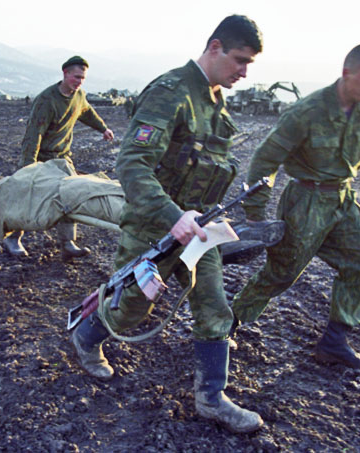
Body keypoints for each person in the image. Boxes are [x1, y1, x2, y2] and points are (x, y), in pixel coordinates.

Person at [71, 15, 264, 434]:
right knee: (131, 310)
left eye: (250, 64)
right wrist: (172, 216)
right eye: (240, 60)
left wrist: (205, 215)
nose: (244, 72)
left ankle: (212, 398)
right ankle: (86, 338)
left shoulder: (215, 100)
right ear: (215, 47)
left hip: (199, 228)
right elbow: (132, 163)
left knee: (214, 307)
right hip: (153, 227)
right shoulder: (170, 92)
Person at [231, 44, 360, 373]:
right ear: (347, 74)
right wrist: (256, 212)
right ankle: (225, 325)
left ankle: (334, 343)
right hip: (306, 201)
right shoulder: (307, 111)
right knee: (280, 274)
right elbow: (265, 158)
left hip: (342, 199)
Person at [3, 56, 115, 259]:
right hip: (42, 157)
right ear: (65, 74)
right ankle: (13, 237)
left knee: (70, 195)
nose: (79, 81)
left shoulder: (79, 95)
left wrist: (103, 128)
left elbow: (87, 112)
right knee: (29, 196)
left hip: (63, 158)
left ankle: (68, 243)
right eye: (76, 77)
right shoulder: (46, 100)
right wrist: (29, 166)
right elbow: (33, 134)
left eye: (83, 78)